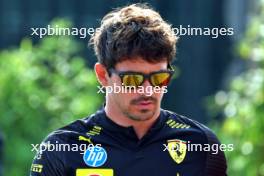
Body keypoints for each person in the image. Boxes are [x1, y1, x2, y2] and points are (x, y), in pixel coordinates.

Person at [30, 3, 227, 176]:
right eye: (133, 79)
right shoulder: (61, 148)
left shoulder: (201, 144)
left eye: (159, 78)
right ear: (102, 75)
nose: (148, 91)